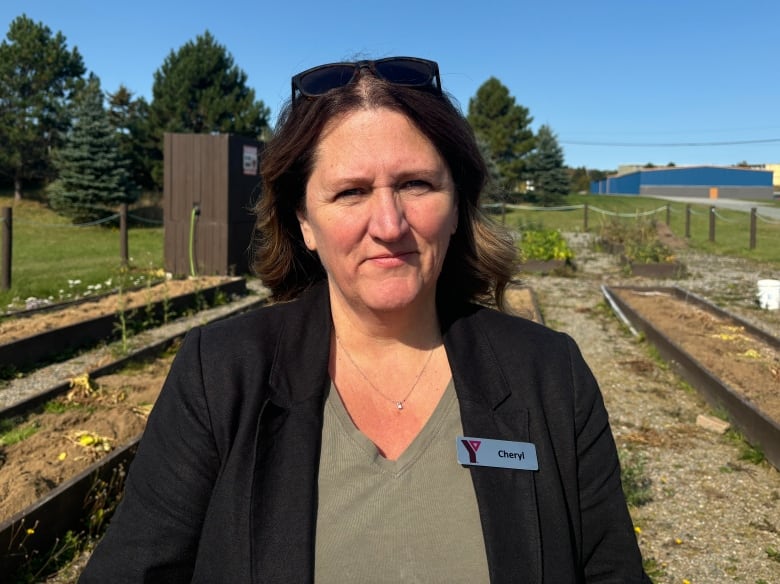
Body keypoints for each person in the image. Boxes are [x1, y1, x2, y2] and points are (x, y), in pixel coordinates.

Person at [80, 56, 649, 583]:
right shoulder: (221, 375)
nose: (389, 223)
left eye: (415, 184)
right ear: (303, 220)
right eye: (351, 191)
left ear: (458, 206)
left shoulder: (550, 376)